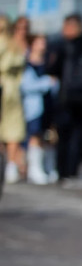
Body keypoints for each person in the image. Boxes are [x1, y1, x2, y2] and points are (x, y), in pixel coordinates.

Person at [47, 13, 82, 189]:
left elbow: (51, 70)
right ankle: (69, 173)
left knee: (66, 137)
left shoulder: (59, 46)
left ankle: (64, 172)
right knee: (74, 137)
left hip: (66, 99)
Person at [21, 34, 57, 185]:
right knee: (34, 135)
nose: (42, 45)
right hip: (34, 106)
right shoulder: (26, 63)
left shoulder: (49, 61)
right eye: (39, 42)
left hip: (48, 104)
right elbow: (26, 86)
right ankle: (34, 169)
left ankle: (48, 167)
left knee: (48, 136)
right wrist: (46, 83)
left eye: (44, 42)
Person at [1, 16, 29, 184]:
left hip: (5, 88)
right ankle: (11, 165)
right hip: (13, 90)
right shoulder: (15, 44)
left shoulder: (5, 43)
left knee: (8, 129)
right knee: (12, 130)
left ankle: (9, 165)